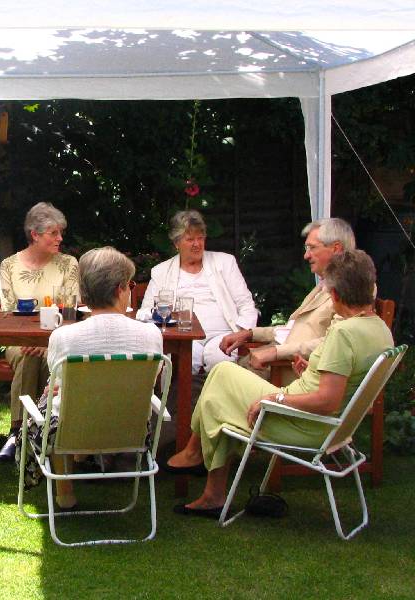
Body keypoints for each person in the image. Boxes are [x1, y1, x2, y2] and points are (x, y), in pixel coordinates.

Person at [165, 250, 393, 517]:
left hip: (304, 423)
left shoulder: (344, 333)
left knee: (222, 376)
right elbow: (344, 379)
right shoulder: (379, 329)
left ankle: (197, 459)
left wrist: (274, 399)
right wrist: (312, 370)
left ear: (335, 296)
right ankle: (208, 487)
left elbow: (327, 401)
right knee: (221, 394)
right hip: (330, 424)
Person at [16, 247, 164, 508]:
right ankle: (82, 458)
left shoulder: (63, 336)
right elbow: (152, 379)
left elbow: (57, 381)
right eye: (130, 285)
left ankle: (65, 492)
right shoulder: (151, 334)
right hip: (129, 429)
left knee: (53, 399)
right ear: (120, 289)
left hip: (72, 430)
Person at [220, 217, 356, 385]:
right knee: (219, 374)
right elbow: (291, 329)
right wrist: (251, 333)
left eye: (312, 248)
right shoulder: (325, 284)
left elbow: (334, 343)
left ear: (336, 249)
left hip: (288, 371)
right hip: (272, 362)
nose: (306, 255)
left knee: (220, 380)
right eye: (307, 248)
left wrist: (275, 352)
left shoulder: (353, 288)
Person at [0, 202, 80, 462]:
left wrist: (47, 343)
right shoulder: (9, 265)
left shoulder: (68, 264)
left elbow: (70, 313)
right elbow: (7, 313)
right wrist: (30, 341)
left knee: (41, 357)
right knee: (28, 355)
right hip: (18, 340)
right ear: (35, 234)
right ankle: (24, 432)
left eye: (60, 233)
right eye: (53, 233)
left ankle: (22, 432)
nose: (60, 238)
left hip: (57, 340)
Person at [137, 210, 257, 374]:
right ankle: (185, 392)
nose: (197, 244)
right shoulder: (161, 271)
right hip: (184, 338)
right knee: (184, 361)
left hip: (223, 335)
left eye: (200, 238)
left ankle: (217, 392)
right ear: (176, 243)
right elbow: (145, 312)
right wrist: (162, 316)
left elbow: (246, 304)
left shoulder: (225, 262)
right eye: (190, 239)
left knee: (220, 360)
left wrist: (242, 333)